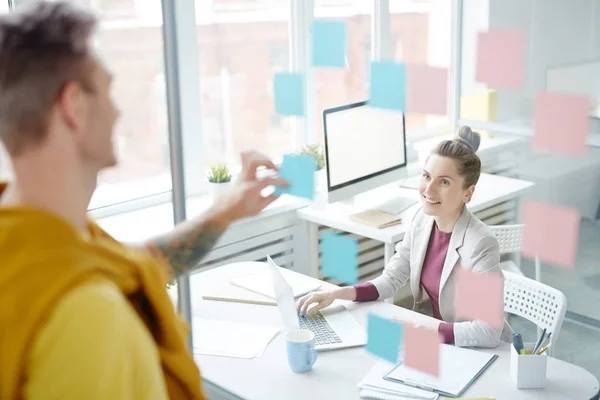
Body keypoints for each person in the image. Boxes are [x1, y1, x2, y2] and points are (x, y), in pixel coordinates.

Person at [0, 2, 287, 399]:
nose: (117, 111)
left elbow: (133, 265)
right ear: (74, 107)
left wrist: (228, 209)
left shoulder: (26, 236)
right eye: (106, 90)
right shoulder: (87, 316)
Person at [298, 126, 508, 349]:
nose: (429, 189)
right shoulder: (422, 220)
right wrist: (337, 294)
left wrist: (424, 330)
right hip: (439, 341)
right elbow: (391, 280)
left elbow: (489, 330)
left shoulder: (481, 243)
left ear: (468, 193)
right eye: (426, 176)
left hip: (472, 348)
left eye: (444, 182)